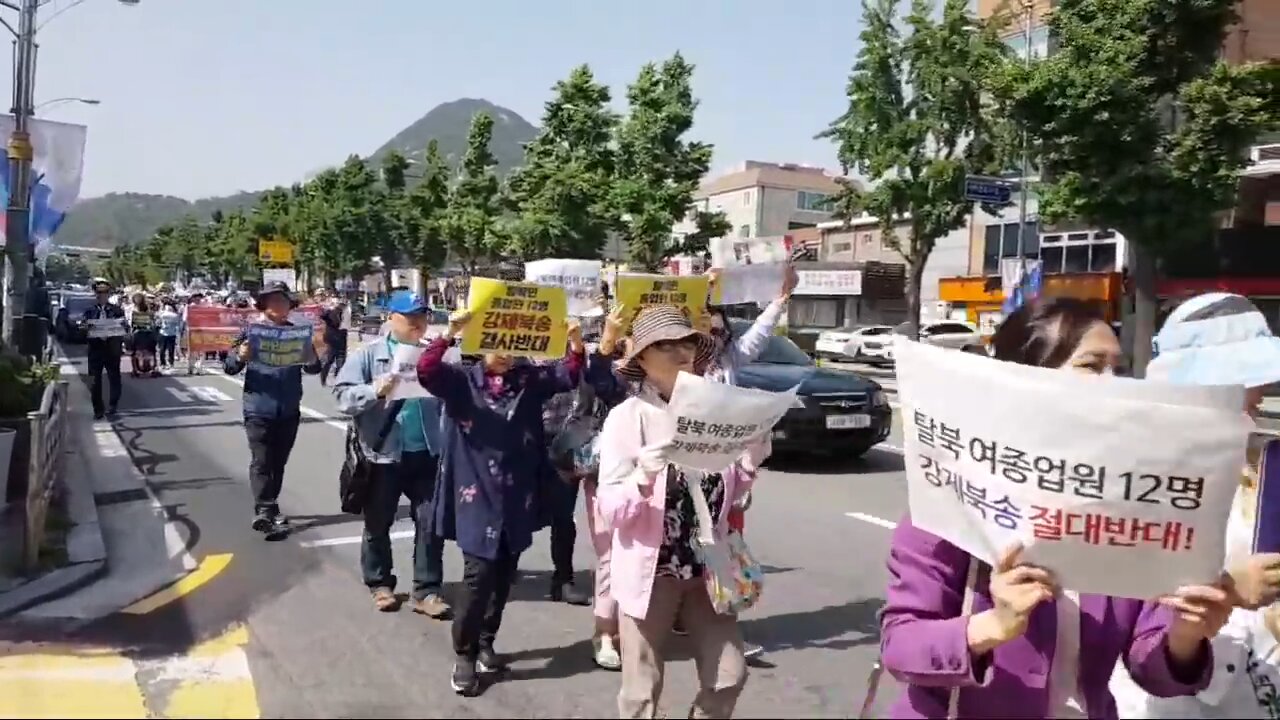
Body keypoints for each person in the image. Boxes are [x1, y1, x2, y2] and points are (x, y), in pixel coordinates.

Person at [878, 297, 1231, 719]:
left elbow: (1149, 667)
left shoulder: (1135, 503)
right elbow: (900, 647)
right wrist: (991, 627)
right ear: (1028, 379)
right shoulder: (957, 495)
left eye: (1118, 368)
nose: (1114, 383)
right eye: (1092, 366)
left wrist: (1185, 635)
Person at [1110, 292, 1280, 718]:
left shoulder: (1258, 460)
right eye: (1243, 380)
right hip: (1166, 701)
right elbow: (1135, 604)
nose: (1259, 392)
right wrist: (1229, 593)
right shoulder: (1138, 471)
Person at [596, 305, 767, 719]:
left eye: (686, 342)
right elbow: (612, 511)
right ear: (641, 360)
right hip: (651, 572)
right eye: (664, 346)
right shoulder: (628, 418)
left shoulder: (716, 410)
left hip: (708, 568)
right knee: (641, 689)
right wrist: (642, 477)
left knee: (729, 673)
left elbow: (733, 490)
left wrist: (753, 451)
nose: (680, 353)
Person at [416, 309, 586, 697]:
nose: (505, 353)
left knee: (504, 576)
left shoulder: (529, 379)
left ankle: (487, 641)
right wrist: (450, 333)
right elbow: (427, 371)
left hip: (518, 493)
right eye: (496, 344)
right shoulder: (462, 381)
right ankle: (465, 652)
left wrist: (575, 341)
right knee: (478, 579)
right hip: (476, 494)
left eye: (511, 345)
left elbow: (569, 374)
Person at [334, 290, 451, 619]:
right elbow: (342, 397)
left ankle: (427, 590)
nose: (418, 323)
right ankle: (379, 583)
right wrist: (373, 390)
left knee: (430, 524)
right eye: (409, 316)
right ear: (391, 319)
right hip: (382, 454)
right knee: (378, 521)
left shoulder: (435, 355)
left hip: (427, 452)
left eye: (422, 316)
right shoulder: (369, 355)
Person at [225, 281, 323, 540]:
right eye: (273, 301)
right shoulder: (250, 332)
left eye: (283, 301)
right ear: (264, 304)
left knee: (278, 462)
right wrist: (240, 356)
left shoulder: (297, 333)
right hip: (258, 406)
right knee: (261, 459)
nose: (279, 306)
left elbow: (313, 368)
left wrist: (311, 356)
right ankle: (264, 510)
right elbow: (230, 366)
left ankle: (270, 504)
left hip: (289, 407)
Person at [82, 278, 125, 419]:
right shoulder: (89, 312)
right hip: (95, 350)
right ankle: (98, 409)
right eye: (99, 292)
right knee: (95, 381)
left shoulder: (117, 310)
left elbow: (123, 328)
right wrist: (85, 328)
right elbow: (82, 329)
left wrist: (120, 329)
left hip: (112, 349)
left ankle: (113, 405)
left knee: (114, 379)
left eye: (105, 292)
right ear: (95, 294)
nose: (102, 295)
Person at [318, 289, 348, 386]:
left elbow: (346, 322)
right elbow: (322, 316)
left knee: (340, 359)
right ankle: (324, 378)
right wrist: (330, 309)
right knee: (330, 359)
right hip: (333, 336)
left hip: (341, 334)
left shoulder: (346, 311)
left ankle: (338, 379)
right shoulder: (331, 312)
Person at [157, 301, 182, 369]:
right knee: (169, 350)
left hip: (165, 333)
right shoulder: (175, 315)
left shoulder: (162, 314)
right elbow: (178, 324)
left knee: (163, 349)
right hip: (169, 333)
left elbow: (158, 322)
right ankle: (169, 363)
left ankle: (164, 363)